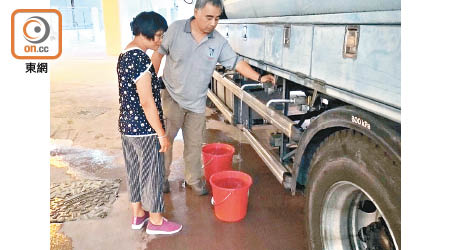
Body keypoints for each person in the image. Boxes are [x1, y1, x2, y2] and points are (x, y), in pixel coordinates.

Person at [152, 0, 275, 196]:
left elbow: (236, 62)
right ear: (196, 12)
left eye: (217, 18)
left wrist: (259, 77)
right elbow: (158, 54)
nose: (213, 23)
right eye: (209, 17)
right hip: (171, 97)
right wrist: (151, 84)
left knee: (193, 144)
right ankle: (161, 177)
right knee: (165, 142)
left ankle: (193, 179)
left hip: (197, 102)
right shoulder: (176, 30)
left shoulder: (217, 41)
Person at [117, 11, 182, 235]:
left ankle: (138, 215)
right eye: (159, 36)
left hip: (127, 127)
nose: (161, 41)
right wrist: (161, 133)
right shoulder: (140, 58)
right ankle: (156, 220)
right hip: (143, 129)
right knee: (152, 173)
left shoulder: (125, 53)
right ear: (146, 34)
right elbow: (146, 102)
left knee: (134, 171)